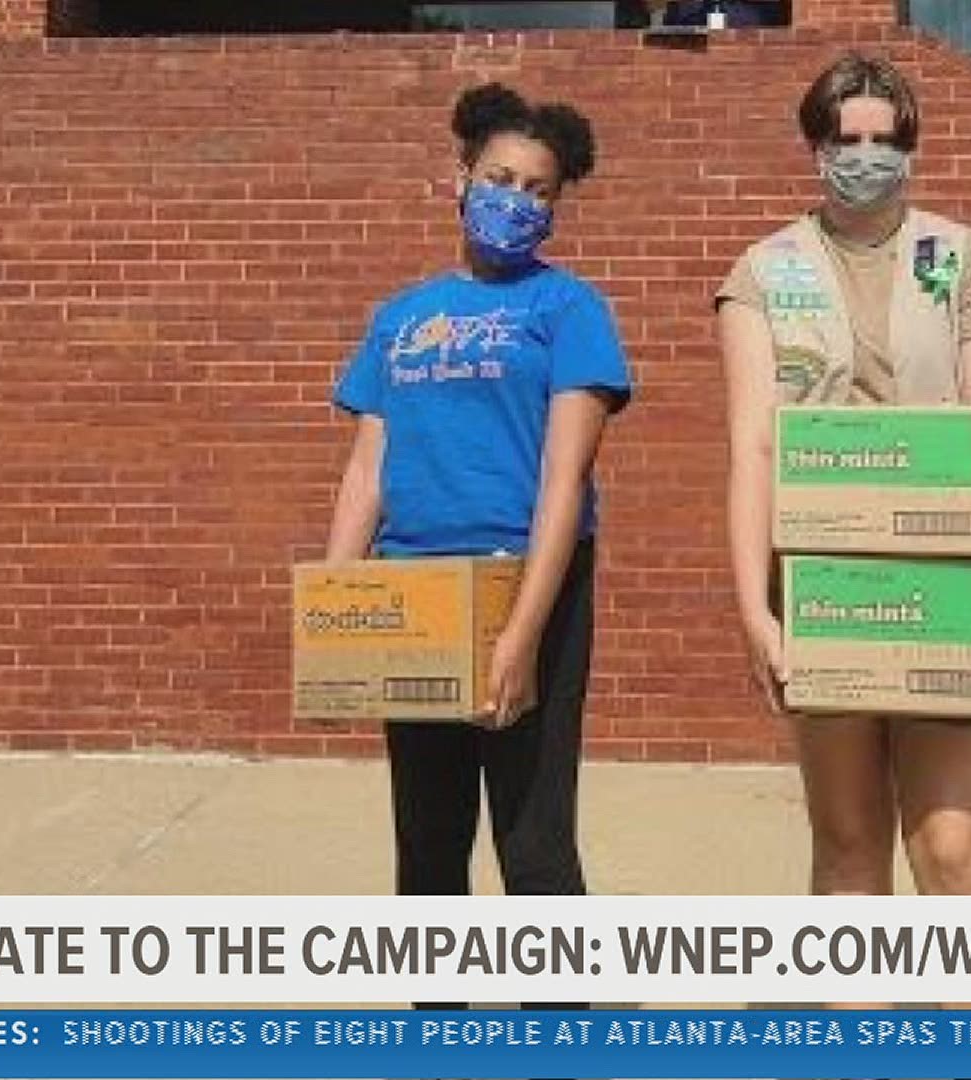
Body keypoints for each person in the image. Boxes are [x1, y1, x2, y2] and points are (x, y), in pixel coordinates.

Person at [716, 53, 971, 914]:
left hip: (949, 587)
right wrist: (756, 608)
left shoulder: (964, 258)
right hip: (824, 587)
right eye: (845, 138)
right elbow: (753, 444)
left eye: (882, 138)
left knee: (951, 842)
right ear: (815, 147)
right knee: (846, 838)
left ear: (909, 147)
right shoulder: (764, 272)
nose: (863, 155)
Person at [324, 82, 632, 1010]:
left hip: (522, 583)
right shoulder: (400, 317)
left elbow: (561, 482)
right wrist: (337, 604)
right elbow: (368, 466)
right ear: (456, 180)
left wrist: (519, 635)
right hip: (414, 584)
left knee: (534, 848)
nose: (517, 200)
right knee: (427, 848)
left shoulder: (568, 309)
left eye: (539, 189)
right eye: (501, 178)